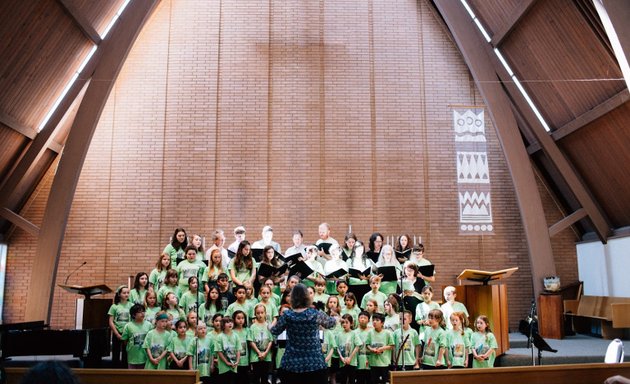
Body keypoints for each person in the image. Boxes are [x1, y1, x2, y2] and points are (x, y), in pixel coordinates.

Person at [270, 283, 337, 384]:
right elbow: (331, 324)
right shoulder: (315, 313)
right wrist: (335, 316)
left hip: (292, 363)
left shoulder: (287, 315)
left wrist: (269, 326)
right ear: (307, 297)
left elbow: (275, 331)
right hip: (314, 363)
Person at [365, 312, 394, 384]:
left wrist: (381, 349)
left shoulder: (388, 333)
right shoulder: (370, 333)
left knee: (385, 381)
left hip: (384, 362)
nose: (374, 322)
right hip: (373, 362)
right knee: (374, 381)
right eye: (373, 320)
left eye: (377, 320)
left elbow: (392, 345)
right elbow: (367, 345)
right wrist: (372, 349)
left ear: (382, 323)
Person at [121, 303, 152, 369]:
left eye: (143, 311)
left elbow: (151, 340)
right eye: (140, 312)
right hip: (132, 356)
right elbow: (125, 340)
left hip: (145, 356)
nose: (143, 313)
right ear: (133, 315)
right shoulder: (128, 326)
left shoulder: (149, 325)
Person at [108, 285, 132, 368]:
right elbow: (111, 321)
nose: (126, 294)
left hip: (127, 333)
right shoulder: (114, 306)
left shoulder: (131, 305)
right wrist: (117, 333)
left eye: (128, 293)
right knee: (116, 353)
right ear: (119, 294)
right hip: (117, 332)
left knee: (126, 354)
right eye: (124, 293)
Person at [249, 303, 273, 384]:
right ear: (255, 314)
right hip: (256, 356)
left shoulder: (268, 326)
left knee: (265, 377)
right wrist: (259, 352)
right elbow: (251, 341)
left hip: (266, 356)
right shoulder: (253, 327)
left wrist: (265, 352)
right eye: (258, 313)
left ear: (265, 313)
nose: (260, 315)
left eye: (262, 312)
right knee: (256, 376)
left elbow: (271, 340)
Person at [336, 314, 362, 384]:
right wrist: (341, 358)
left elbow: (357, 346)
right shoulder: (339, 334)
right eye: (343, 322)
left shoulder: (354, 333)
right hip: (342, 362)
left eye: (347, 322)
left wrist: (350, 358)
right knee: (343, 380)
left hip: (352, 362)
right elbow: (337, 347)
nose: (344, 324)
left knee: (352, 380)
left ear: (351, 323)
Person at [346, 240, 373, 306]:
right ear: (354, 249)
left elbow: (371, 275)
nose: (359, 249)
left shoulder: (367, 261)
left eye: (361, 248)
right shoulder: (349, 261)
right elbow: (346, 274)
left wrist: (367, 277)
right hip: (352, 286)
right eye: (357, 247)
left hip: (364, 286)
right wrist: (347, 275)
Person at [215, 316, 241, 383]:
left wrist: (237, 361)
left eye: (231, 322)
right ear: (223, 325)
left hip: (233, 367)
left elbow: (238, 350)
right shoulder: (219, 337)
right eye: (227, 322)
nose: (230, 324)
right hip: (224, 368)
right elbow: (219, 352)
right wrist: (227, 362)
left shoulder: (236, 336)